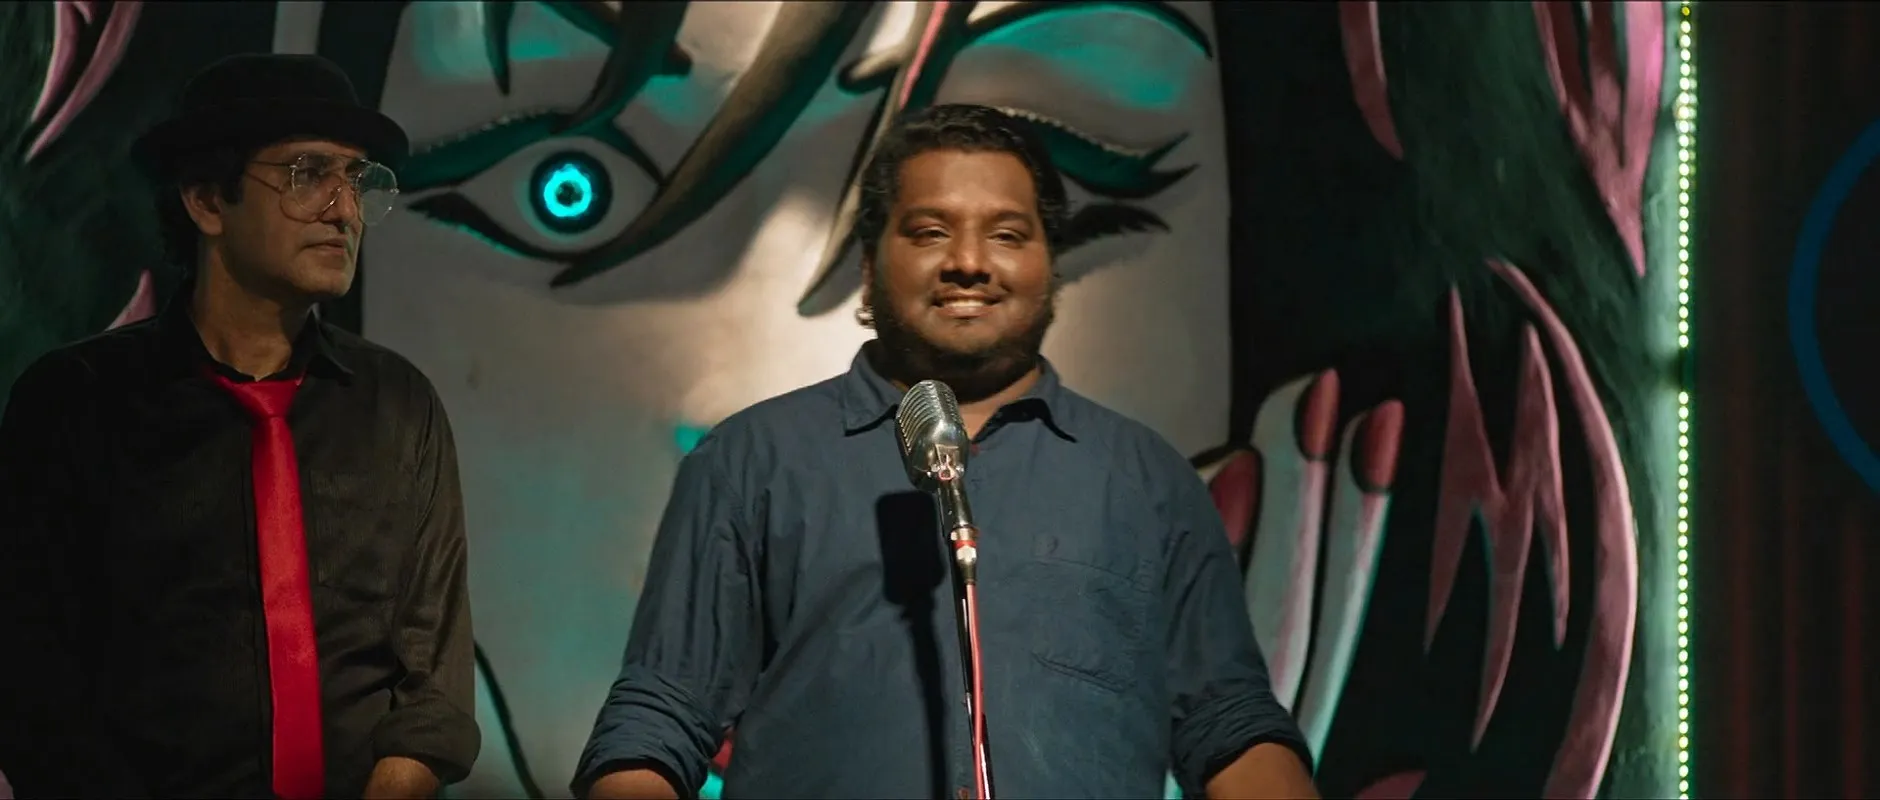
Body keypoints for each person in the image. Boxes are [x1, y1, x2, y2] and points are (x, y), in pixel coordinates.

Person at [573, 104, 1318, 799]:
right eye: (930, 232)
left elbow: (1226, 721)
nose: (969, 261)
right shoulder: (751, 460)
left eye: (1007, 235)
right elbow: (661, 714)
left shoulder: (1146, 478)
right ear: (870, 267)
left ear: (1050, 265)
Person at [0, 54, 479, 798]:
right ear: (205, 200)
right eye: (308, 174)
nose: (344, 211)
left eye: (357, 181)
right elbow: (33, 685)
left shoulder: (398, 404)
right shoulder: (77, 403)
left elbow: (435, 681)